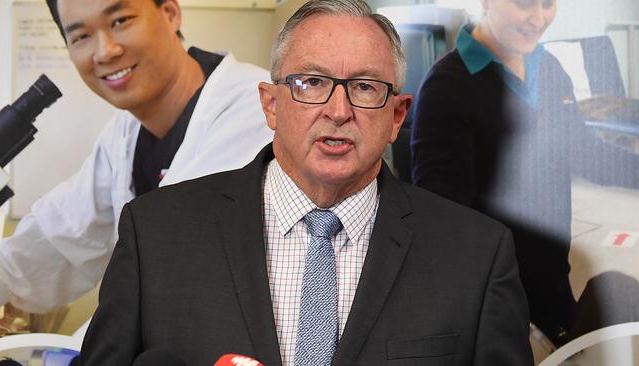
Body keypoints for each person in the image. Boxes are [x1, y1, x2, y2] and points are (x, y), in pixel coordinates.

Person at [78, 1, 533, 365]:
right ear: (271, 105)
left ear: (397, 116)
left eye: (365, 87)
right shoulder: (156, 233)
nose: (338, 111)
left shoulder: (476, 256)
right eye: (312, 83)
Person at [0, 0, 273, 313]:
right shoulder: (125, 132)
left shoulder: (257, 111)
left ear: (170, 13)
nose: (105, 51)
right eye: (81, 36)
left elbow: (181, 266)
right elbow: (57, 236)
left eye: (120, 20)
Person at [410, 0, 639, 345]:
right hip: (495, 297)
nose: (538, 18)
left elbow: (584, 150)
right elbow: (444, 220)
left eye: (548, 4)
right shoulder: (447, 88)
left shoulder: (549, 68)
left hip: (553, 281)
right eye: (524, 3)